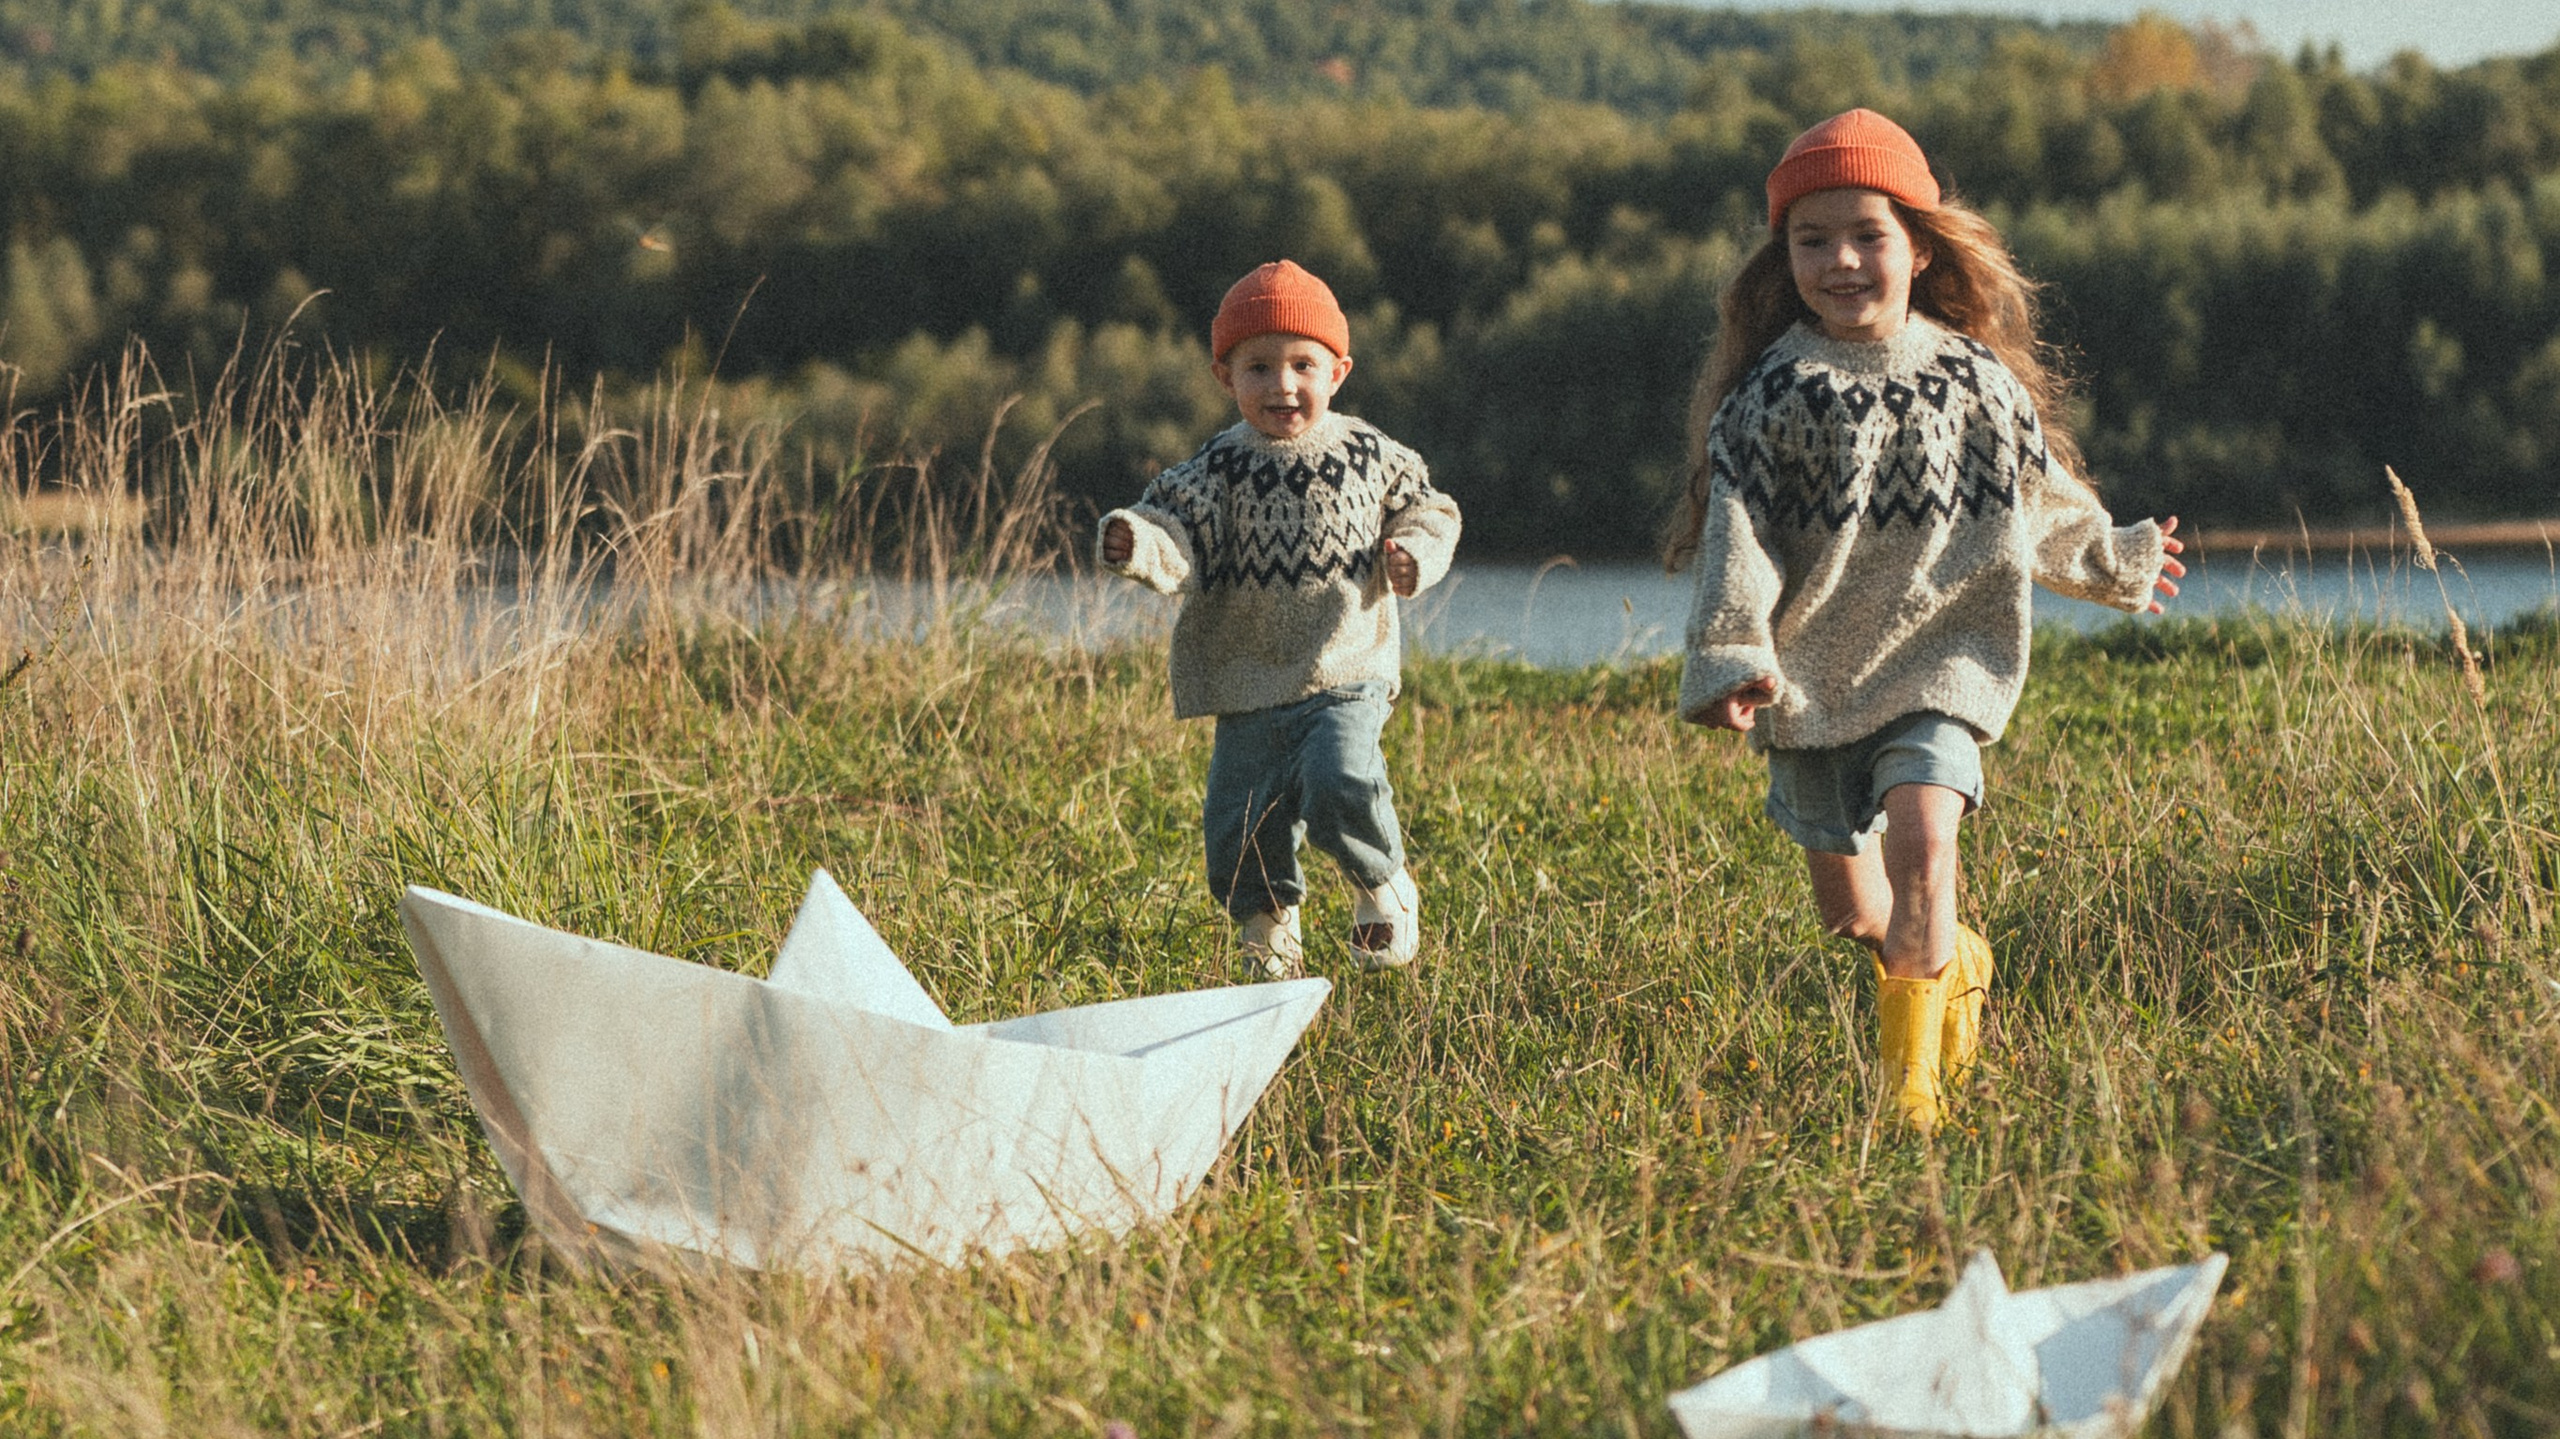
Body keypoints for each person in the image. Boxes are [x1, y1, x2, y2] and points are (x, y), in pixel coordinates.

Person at [1666, 109, 2185, 1132]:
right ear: (1784, 257)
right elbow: (1740, 534)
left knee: (1921, 841)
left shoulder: (1973, 380)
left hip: (1948, 658)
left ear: (1917, 243)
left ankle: (1911, 1099)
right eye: (1812, 240)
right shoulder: (1769, 397)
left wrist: (2115, 559)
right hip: (1813, 676)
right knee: (1856, 913)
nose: (1842, 259)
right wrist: (1733, 653)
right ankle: (1957, 958)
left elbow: (2032, 499)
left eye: (1867, 233)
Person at [1099, 260, 1461, 977]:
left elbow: (1432, 508)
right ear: (1224, 376)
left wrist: (1416, 552)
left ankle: (1381, 889)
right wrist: (1139, 543)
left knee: (1338, 779)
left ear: (1339, 370)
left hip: (1346, 666)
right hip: (1249, 678)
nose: (1283, 385)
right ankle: (1269, 931)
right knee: (1240, 823)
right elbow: (1176, 532)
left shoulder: (1367, 453)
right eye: (1258, 367)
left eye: (1303, 364)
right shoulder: (1218, 468)